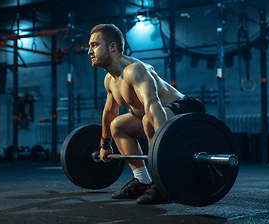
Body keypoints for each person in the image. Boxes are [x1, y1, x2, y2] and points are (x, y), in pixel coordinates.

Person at [88, 24, 206, 204]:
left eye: (95, 45)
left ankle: (164, 182)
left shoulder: (135, 69)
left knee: (148, 119)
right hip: (158, 118)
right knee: (117, 126)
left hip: (187, 110)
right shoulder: (110, 80)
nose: (89, 51)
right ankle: (142, 179)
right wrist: (105, 144)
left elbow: (153, 105)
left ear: (112, 47)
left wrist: (161, 145)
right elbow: (110, 112)